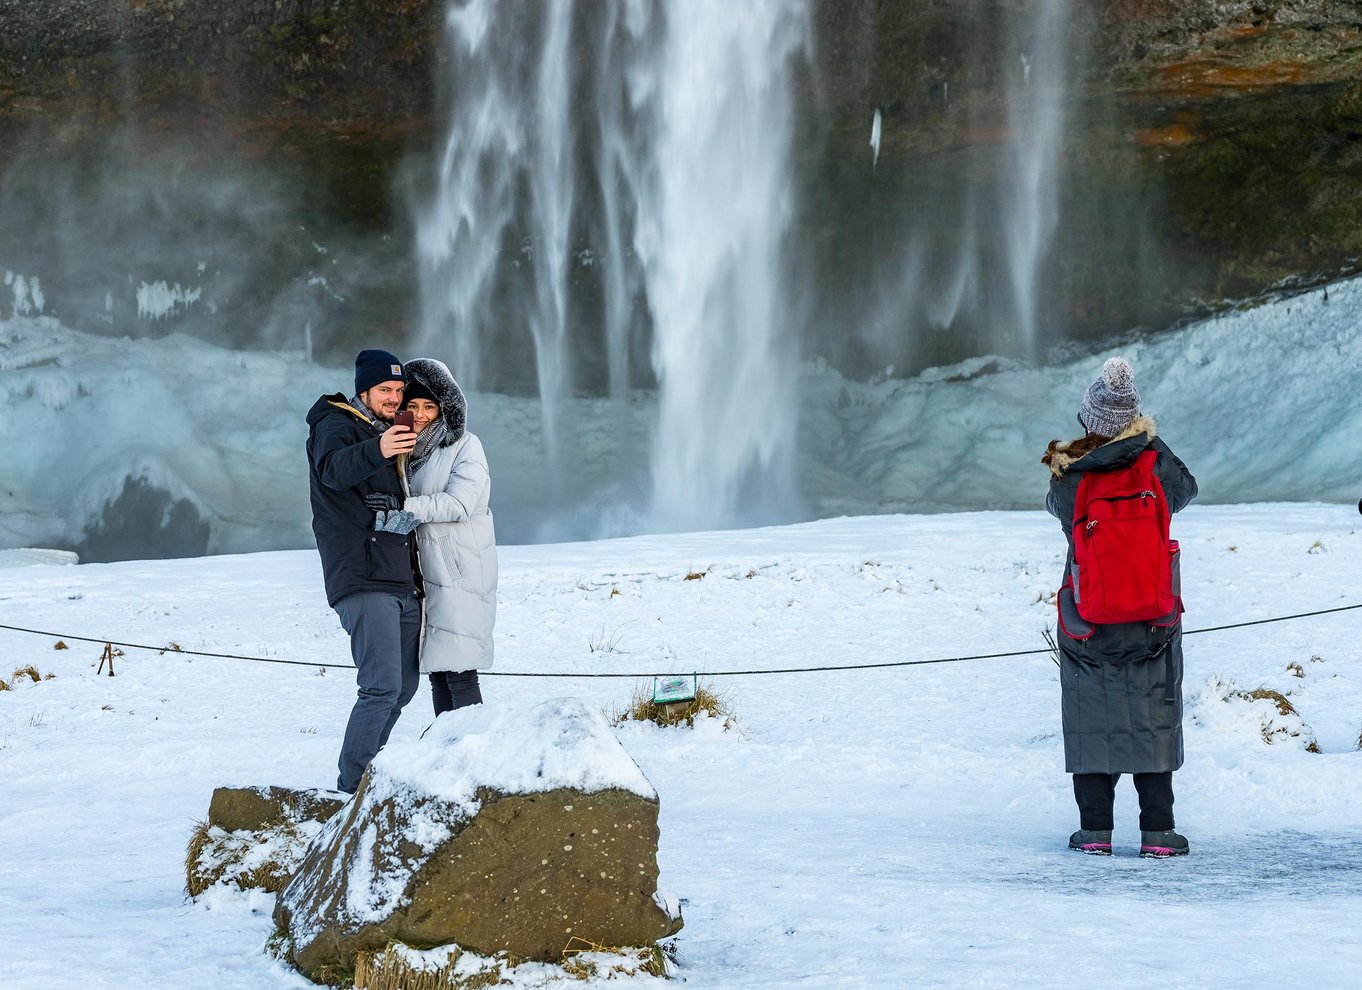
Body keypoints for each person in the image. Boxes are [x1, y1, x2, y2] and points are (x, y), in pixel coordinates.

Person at [1042, 357, 1198, 857]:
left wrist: (1077, 453)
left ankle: (1094, 833)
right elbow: (1187, 488)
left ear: (1090, 421)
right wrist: (1148, 440)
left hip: (1087, 615)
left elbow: (1056, 509)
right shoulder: (1156, 465)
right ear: (1135, 419)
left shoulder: (1071, 475)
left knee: (1092, 718)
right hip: (1152, 614)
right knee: (1153, 716)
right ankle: (1157, 833)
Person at [305, 348, 422, 794]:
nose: (394, 398)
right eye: (385, 390)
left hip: (396, 575)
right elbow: (333, 471)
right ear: (363, 390)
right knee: (379, 686)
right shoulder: (335, 424)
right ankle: (352, 786)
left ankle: (370, 772)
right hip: (360, 574)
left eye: (398, 390)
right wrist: (379, 448)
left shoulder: (384, 429)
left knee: (404, 687)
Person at [397, 358, 497, 715]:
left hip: (460, 570)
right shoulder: (407, 451)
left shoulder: (466, 445)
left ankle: (471, 754)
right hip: (426, 574)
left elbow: (461, 503)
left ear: (444, 408)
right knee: (438, 672)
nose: (420, 414)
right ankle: (447, 750)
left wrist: (405, 507)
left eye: (429, 406)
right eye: (412, 406)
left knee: (460, 671)